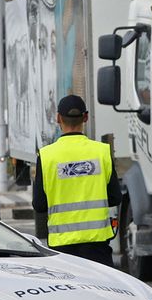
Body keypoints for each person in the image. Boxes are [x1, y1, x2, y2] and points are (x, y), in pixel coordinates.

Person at [31, 95, 121, 265]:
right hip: (97, 245)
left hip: (62, 247)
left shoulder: (46, 156)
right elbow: (115, 197)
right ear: (85, 117)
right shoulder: (101, 152)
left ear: (58, 118)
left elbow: (39, 204)